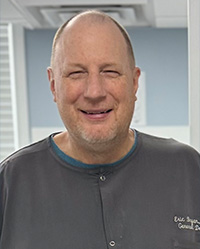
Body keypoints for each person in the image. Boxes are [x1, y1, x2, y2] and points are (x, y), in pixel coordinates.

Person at [0, 10, 200, 249]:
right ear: (54, 86)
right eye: (76, 73)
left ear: (134, 83)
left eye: (110, 72)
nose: (94, 92)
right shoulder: (12, 182)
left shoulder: (186, 168)